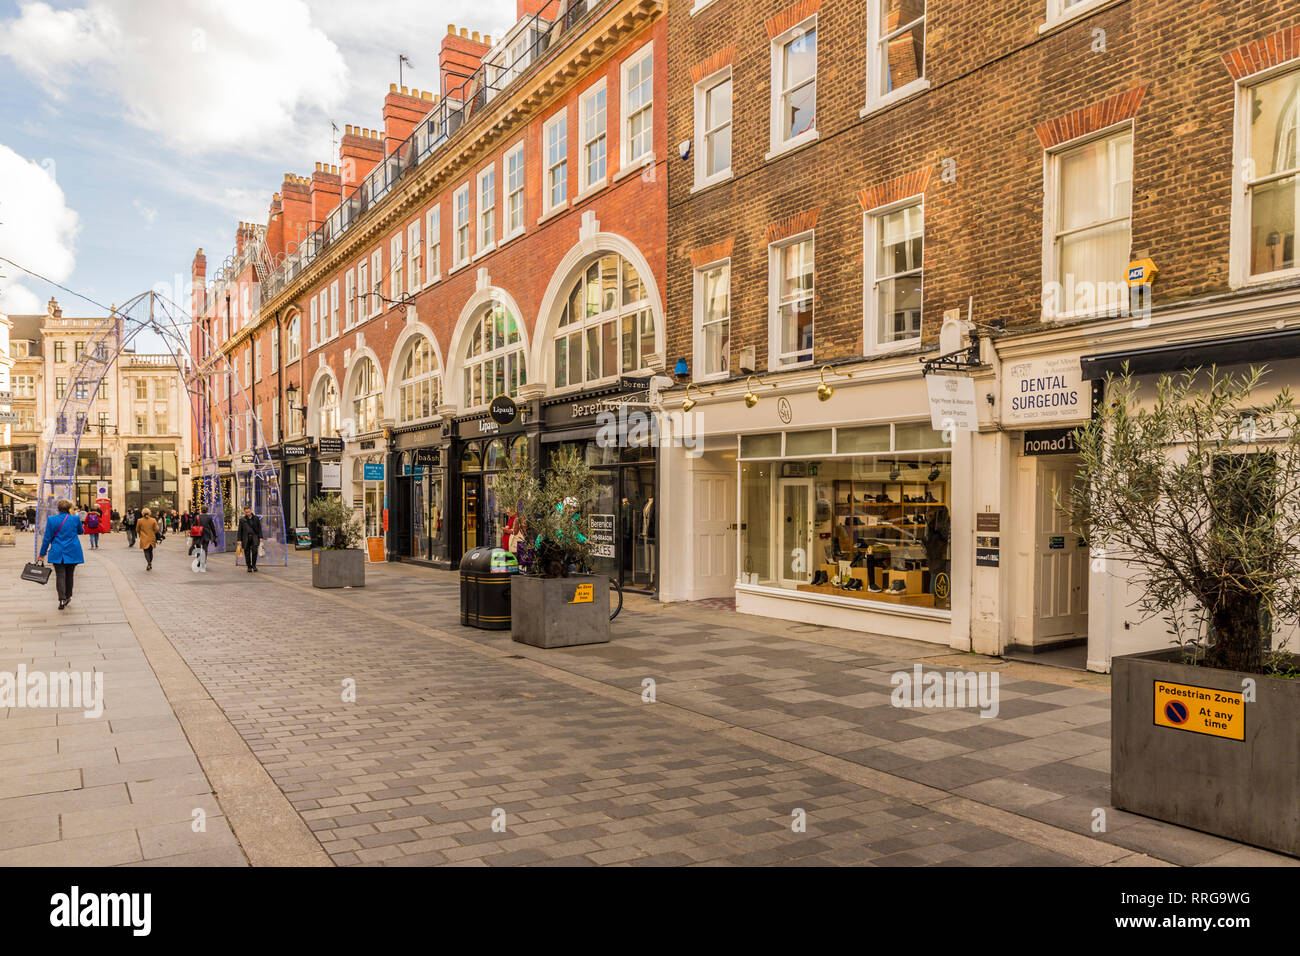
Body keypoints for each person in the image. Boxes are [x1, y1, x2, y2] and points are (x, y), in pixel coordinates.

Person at [38, 499, 85, 611]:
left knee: (60, 575)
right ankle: (68, 596)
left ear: (58, 508)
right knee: (70, 575)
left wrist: (42, 554)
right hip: (72, 550)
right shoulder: (75, 518)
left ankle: (61, 599)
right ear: (69, 508)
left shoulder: (52, 519)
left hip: (58, 551)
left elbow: (47, 538)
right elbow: (81, 531)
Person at [190, 508, 219, 573]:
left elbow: (194, 526)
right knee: (205, 549)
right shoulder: (209, 517)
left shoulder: (197, 516)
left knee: (198, 548)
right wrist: (214, 535)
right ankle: (202, 562)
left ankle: (199, 559)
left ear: (201, 510)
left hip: (198, 534)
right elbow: (212, 527)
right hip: (206, 534)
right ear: (207, 510)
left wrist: (192, 535)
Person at [238, 506, 264, 573]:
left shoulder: (256, 518)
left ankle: (254, 565)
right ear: (244, 512)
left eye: (249, 512)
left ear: (251, 510)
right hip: (245, 538)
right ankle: (249, 566)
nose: (248, 513)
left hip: (254, 537)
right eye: (246, 512)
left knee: (255, 552)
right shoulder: (242, 520)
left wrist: (261, 537)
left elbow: (259, 528)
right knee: (247, 553)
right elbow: (240, 531)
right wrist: (239, 540)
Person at [135, 507, 160, 571]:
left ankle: (149, 563)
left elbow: (137, 529)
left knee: (146, 551)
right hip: (152, 538)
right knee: (150, 551)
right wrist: (153, 532)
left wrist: (140, 534)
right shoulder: (153, 520)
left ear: (142, 513)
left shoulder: (139, 520)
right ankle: (150, 563)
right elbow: (157, 529)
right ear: (149, 513)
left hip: (144, 538)